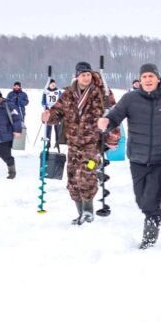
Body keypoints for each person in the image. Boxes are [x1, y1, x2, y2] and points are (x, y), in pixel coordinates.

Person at [98, 64, 161, 249]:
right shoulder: (130, 98)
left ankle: (149, 237)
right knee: (141, 200)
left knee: (149, 202)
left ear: (158, 78)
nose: (147, 79)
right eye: (144, 76)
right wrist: (107, 122)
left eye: (151, 76)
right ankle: (154, 204)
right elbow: (115, 116)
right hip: (137, 157)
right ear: (140, 79)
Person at [41, 61, 111, 225]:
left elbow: (111, 112)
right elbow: (56, 113)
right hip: (73, 145)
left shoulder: (99, 92)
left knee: (86, 174)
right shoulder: (68, 94)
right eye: (82, 75)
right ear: (77, 76)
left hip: (92, 145)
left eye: (88, 74)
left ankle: (88, 211)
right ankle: (80, 213)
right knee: (73, 179)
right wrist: (47, 117)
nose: (86, 78)